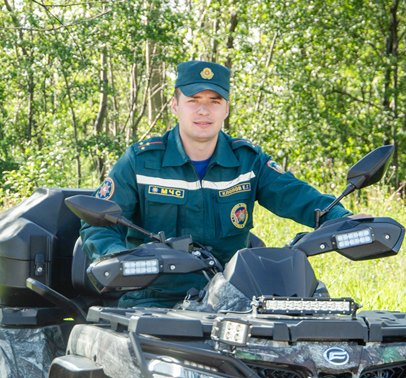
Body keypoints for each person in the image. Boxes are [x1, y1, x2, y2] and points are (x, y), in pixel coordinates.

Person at [79, 60, 350, 307]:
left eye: (214, 101)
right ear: (175, 105)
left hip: (233, 299)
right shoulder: (141, 162)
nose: (203, 110)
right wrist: (119, 259)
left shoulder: (247, 162)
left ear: (226, 108)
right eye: (193, 100)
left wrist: (344, 220)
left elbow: (298, 197)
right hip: (154, 301)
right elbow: (97, 223)